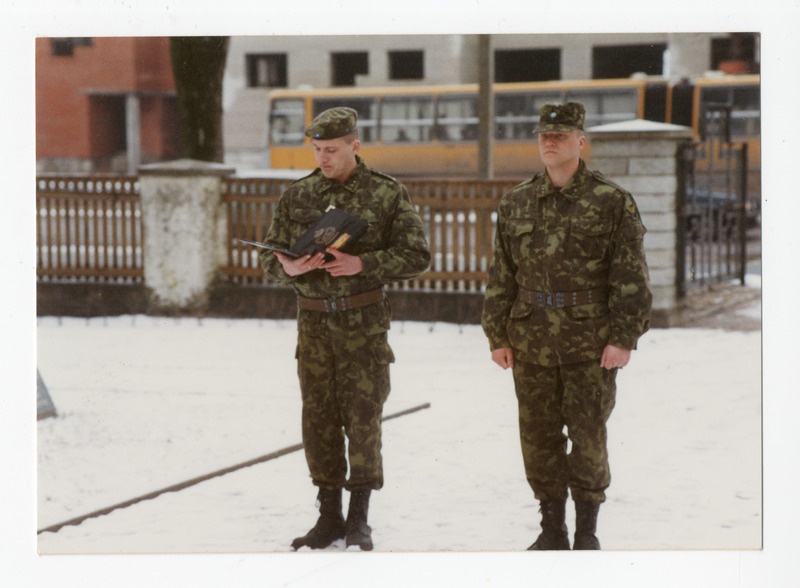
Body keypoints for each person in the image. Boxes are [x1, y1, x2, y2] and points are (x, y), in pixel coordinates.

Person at [481, 102, 652, 550]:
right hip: (531, 339)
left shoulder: (611, 201)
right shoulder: (517, 201)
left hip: (589, 342)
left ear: (581, 142)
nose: (550, 143)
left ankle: (587, 532)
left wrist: (623, 337)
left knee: (588, 435)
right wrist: (496, 334)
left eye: (560, 136)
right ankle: (552, 528)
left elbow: (630, 276)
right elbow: (503, 274)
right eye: (543, 136)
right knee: (538, 438)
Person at [260, 107, 430, 551]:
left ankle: (359, 518)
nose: (324, 158)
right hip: (313, 323)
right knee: (318, 419)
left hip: (363, 325)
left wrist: (364, 263)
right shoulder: (298, 195)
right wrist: (291, 267)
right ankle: (328, 515)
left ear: (355, 145)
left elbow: (417, 255)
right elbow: (267, 260)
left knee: (363, 418)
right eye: (317, 149)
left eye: (332, 150)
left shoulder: (386, 193)